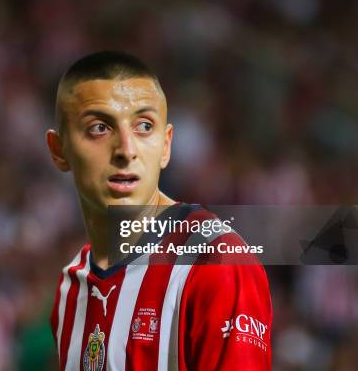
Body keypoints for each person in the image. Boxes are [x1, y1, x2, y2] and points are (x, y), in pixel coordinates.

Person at [46, 51, 272, 370]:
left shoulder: (215, 259)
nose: (126, 150)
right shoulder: (72, 285)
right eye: (99, 128)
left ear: (166, 146)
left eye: (143, 125)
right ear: (59, 150)